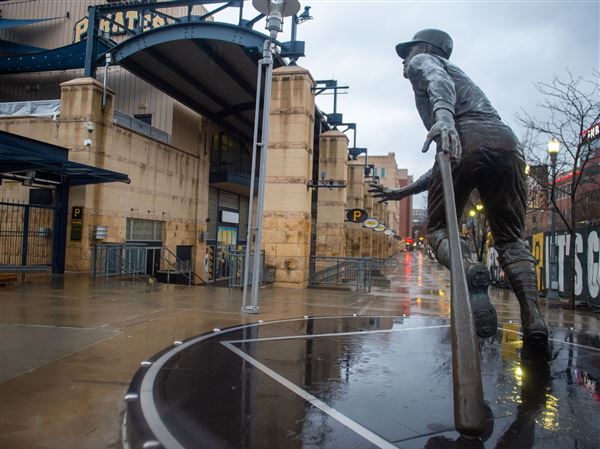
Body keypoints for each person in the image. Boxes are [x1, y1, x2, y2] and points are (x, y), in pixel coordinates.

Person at [370, 29, 549, 360]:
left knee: (438, 229)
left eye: (407, 51)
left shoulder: (425, 61)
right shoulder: (474, 93)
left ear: (424, 47)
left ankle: (469, 271)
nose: (404, 60)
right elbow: (445, 167)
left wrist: (444, 118)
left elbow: (439, 84)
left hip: (461, 139)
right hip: (506, 144)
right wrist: (403, 192)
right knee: (511, 240)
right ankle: (534, 319)